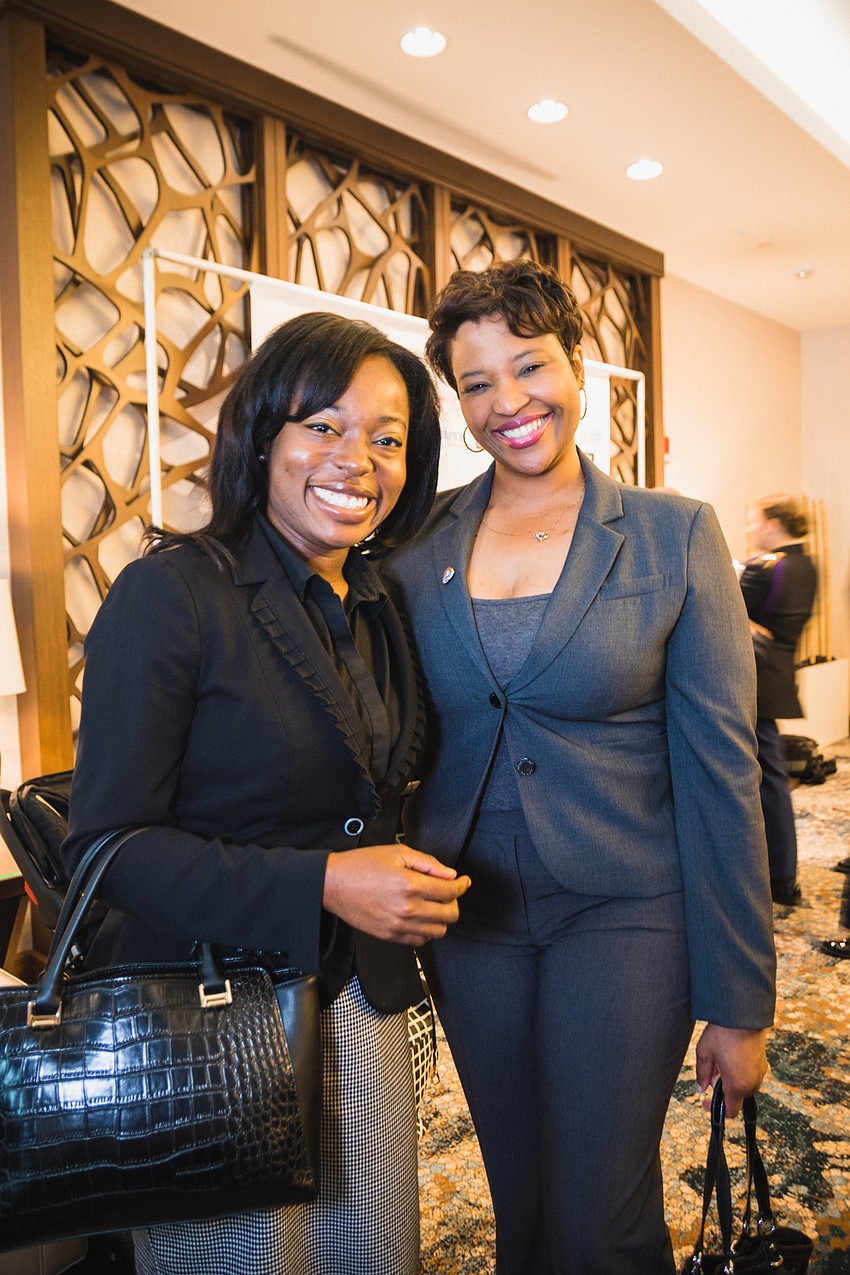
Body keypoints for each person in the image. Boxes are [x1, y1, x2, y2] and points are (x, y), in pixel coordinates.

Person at [384, 259, 776, 1275]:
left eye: (529, 365)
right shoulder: (417, 547)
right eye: (477, 383)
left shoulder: (669, 533)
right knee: (522, 1202)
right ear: (456, 403)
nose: (508, 401)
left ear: (577, 367)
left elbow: (720, 768)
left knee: (601, 1213)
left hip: (627, 907)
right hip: (472, 915)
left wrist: (739, 999)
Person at [63, 311, 471, 1275]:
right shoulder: (173, 594)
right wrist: (325, 883)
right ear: (263, 436)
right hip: (210, 1015)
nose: (357, 459)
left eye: (386, 437)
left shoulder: (377, 604)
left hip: (361, 1005)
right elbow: (107, 849)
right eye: (323, 426)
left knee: (371, 1253)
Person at [739, 496, 817, 905]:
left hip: (756, 677)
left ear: (772, 524)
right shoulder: (808, 565)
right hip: (781, 670)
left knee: (769, 781)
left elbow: (724, 609)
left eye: (755, 521)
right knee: (771, 777)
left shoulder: (767, 566)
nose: (752, 529)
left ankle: (780, 876)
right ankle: (779, 873)